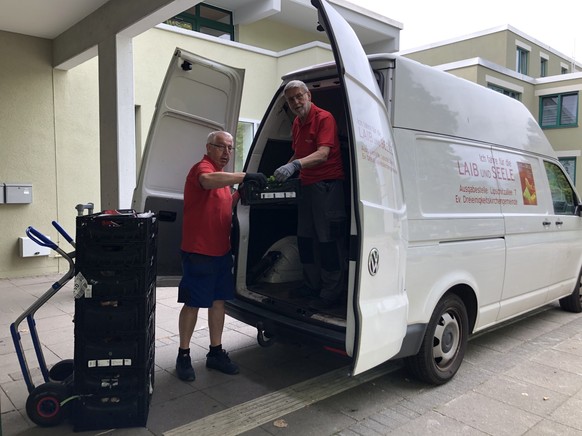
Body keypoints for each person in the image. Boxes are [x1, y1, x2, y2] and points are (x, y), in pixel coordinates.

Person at [176, 130, 267, 381]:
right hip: (198, 251)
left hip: (221, 251)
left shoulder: (223, 181)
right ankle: (183, 355)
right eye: (221, 147)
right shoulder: (202, 169)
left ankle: (215, 352)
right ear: (209, 147)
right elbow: (207, 181)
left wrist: (241, 193)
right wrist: (244, 176)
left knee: (219, 303)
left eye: (230, 148)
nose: (226, 152)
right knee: (193, 302)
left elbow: (224, 203)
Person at [274, 80, 347, 310]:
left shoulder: (324, 118)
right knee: (305, 239)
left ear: (308, 96)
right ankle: (311, 285)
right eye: (290, 99)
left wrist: (294, 166)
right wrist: (282, 172)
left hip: (326, 186)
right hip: (306, 186)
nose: (295, 102)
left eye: (299, 96)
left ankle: (330, 293)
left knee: (327, 241)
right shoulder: (297, 122)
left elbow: (323, 154)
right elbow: (298, 152)